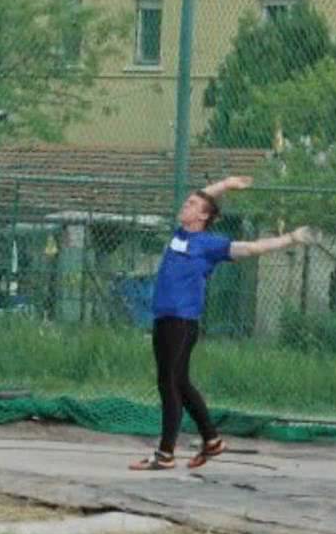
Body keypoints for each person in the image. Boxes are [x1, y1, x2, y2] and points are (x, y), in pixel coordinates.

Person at [130, 176, 313, 470]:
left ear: (202, 216)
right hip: (165, 319)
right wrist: (226, 184)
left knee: (169, 384)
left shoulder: (209, 244)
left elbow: (252, 249)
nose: (186, 203)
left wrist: (290, 238)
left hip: (181, 321)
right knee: (180, 382)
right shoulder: (181, 235)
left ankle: (165, 455)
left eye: (191, 204)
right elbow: (203, 196)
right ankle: (212, 441)